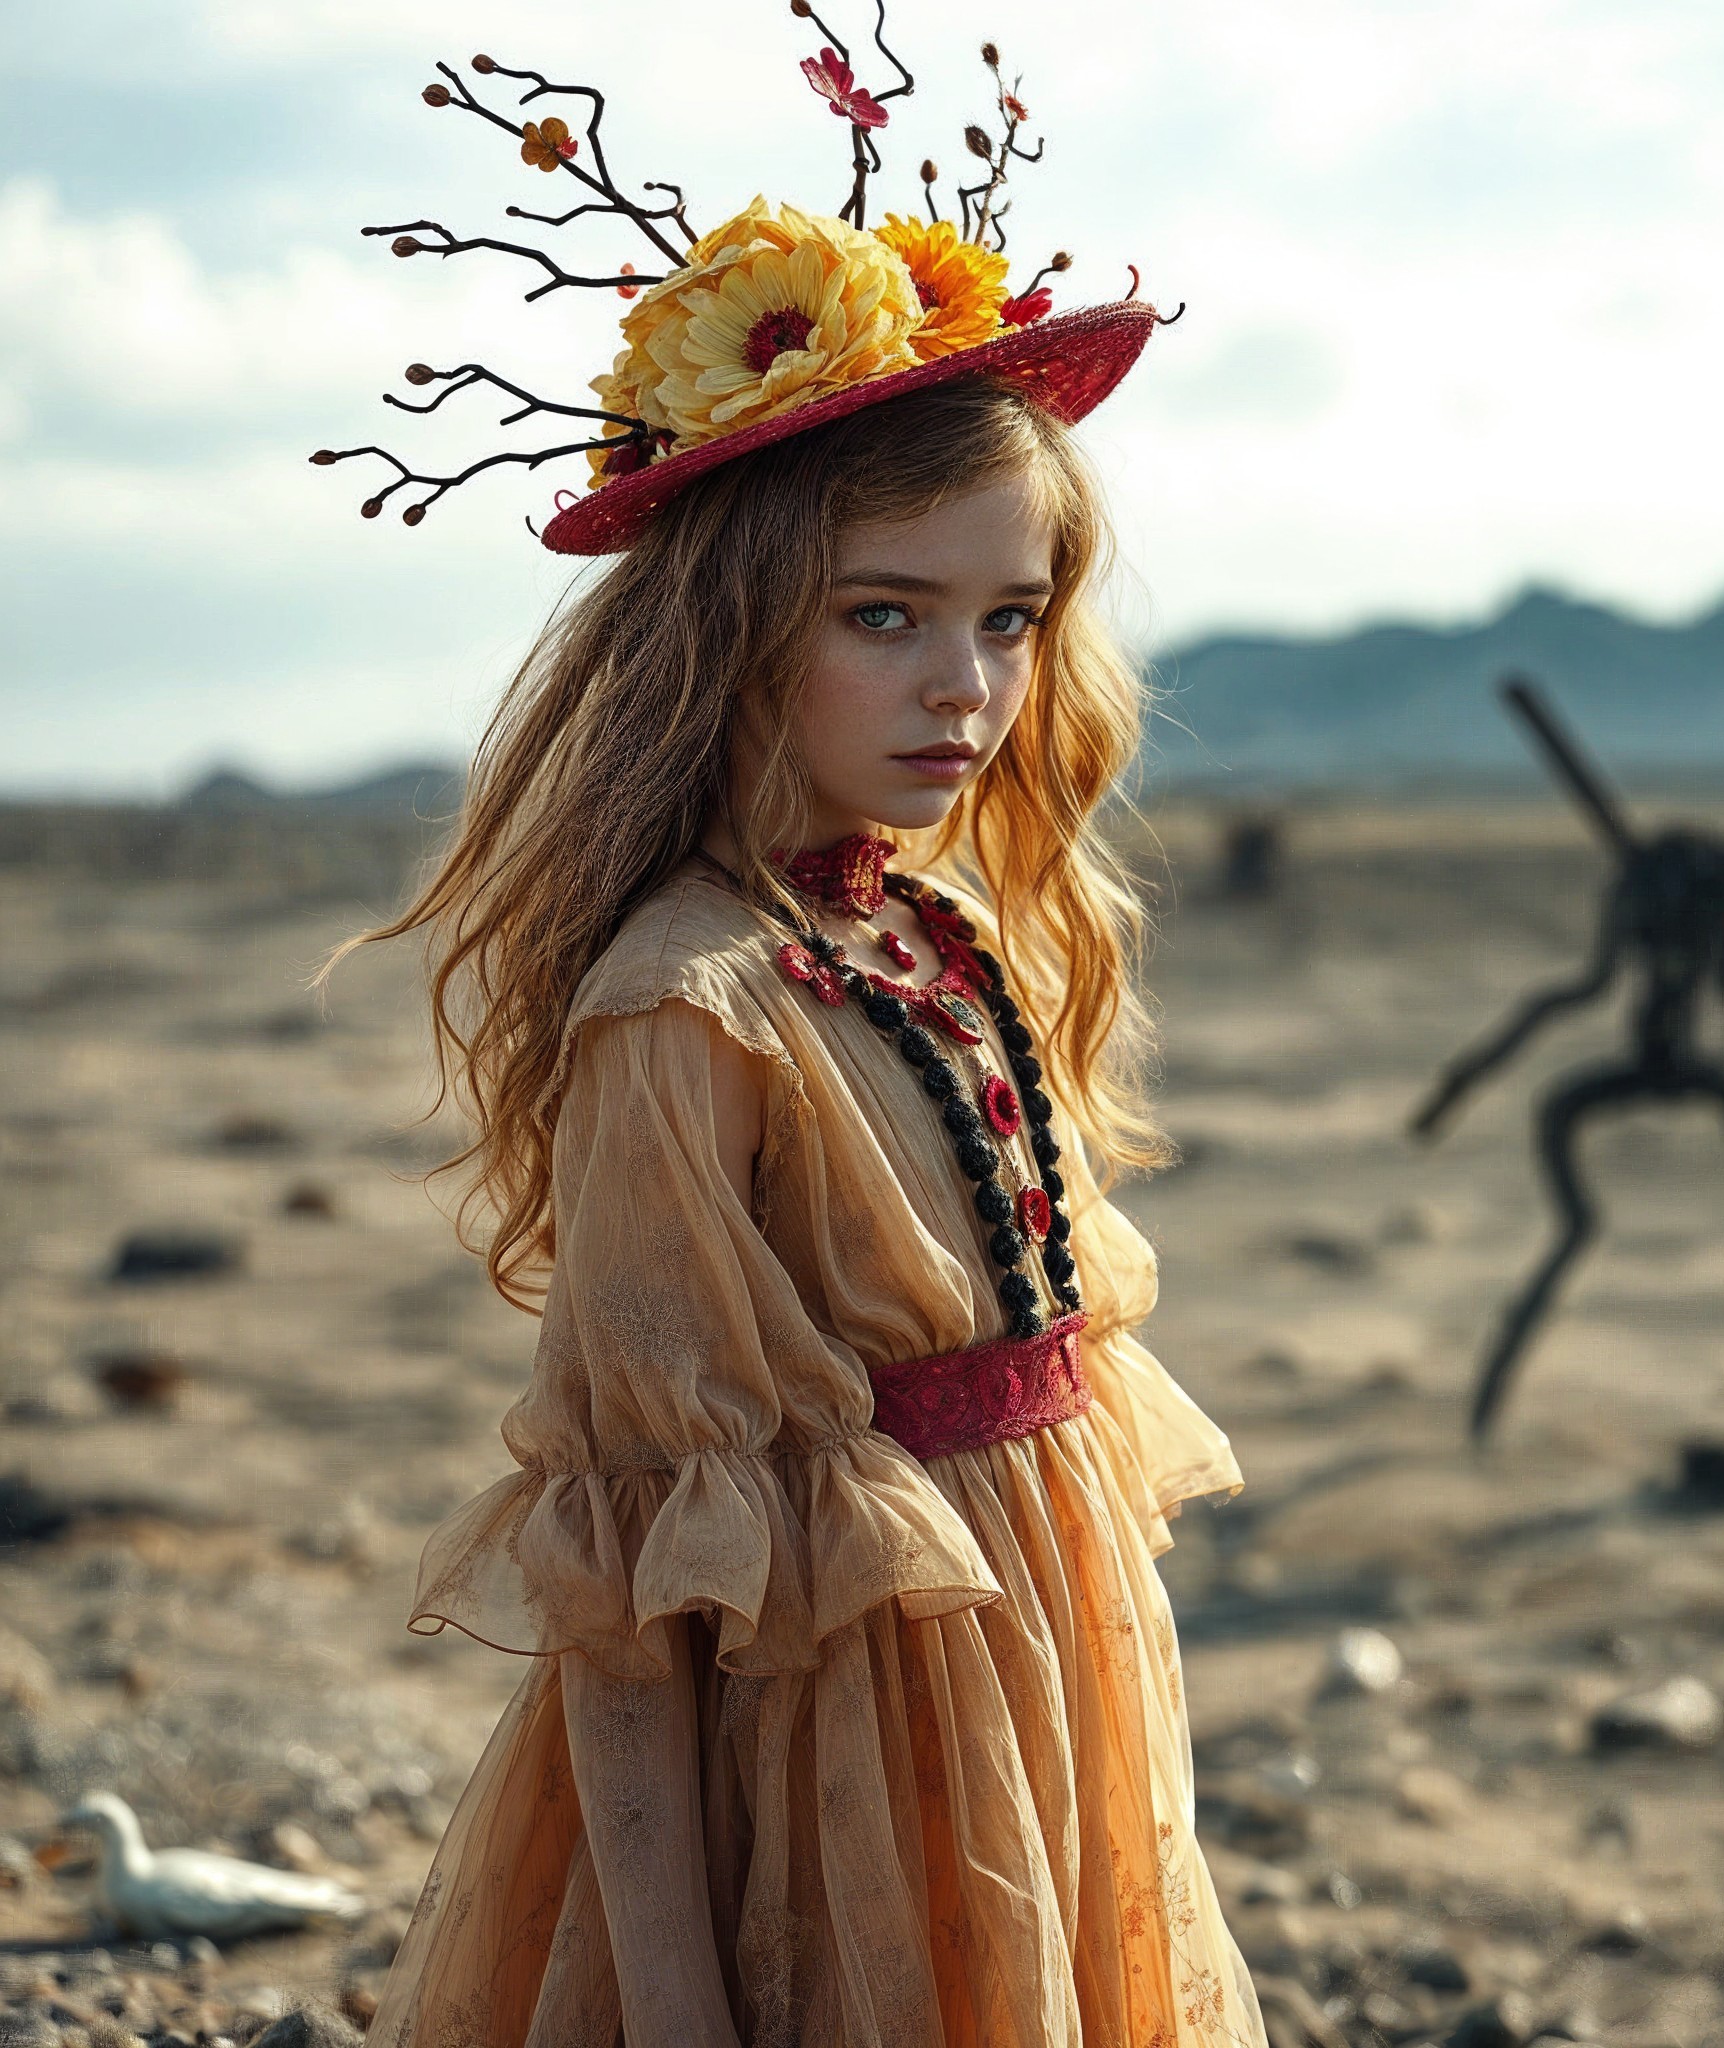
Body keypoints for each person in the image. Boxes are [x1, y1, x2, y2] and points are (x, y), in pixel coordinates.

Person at [322, 24, 1266, 2048]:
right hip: (837, 1753)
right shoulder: (685, 1011)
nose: (970, 685)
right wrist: (676, 2005)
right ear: (736, 616)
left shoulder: (929, 924)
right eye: (884, 613)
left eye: (1013, 616)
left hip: (1034, 1684)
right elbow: (640, 1594)